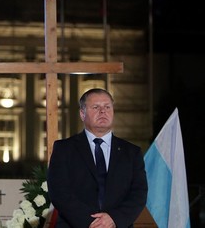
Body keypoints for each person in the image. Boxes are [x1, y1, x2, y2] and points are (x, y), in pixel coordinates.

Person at [47, 88, 148, 227]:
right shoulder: (64, 149)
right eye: (96, 107)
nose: (103, 111)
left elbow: (139, 193)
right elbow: (59, 192)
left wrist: (113, 219)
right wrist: (93, 223)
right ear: (82, 114)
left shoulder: (132, 152)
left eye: (107, 107)